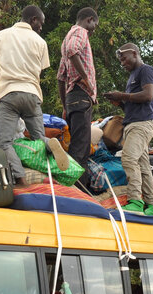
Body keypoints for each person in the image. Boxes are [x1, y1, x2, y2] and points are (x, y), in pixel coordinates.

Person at [0, 5, 69, 186]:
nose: (41, 28)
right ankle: (50, 144)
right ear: (33, 20)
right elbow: (38, 70)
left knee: (3, 142)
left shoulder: (1, 36)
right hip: (33, 95)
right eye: (40, 24)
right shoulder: (40, 42)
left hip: (9, 94)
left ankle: (21, 179)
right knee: (38, 138)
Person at [103, 44, 153, 216]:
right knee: (143, 166)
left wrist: (122, 95)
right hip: (133, 124)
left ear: (134, 54)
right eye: (120, 61)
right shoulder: (132, 77)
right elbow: (133, 105)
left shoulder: (146, 70)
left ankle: (135, 200)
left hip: (142, 125)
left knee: (128, 159)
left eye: (124, 58)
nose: (122, 63)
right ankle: (152, 206)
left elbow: (148, 95)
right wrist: (120, 102)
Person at [57, 7, 99, 188]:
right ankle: (78, 191)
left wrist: (65, 104)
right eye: (94, 25)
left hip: (73, 98)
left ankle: (72, 186)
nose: (94, 29)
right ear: (89, 20)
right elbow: (74, 51)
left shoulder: (68, 37)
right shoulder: (80, 32)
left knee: (76, 144)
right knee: (80, 149)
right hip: (81, 95)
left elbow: (60, 77)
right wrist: (86, 80)